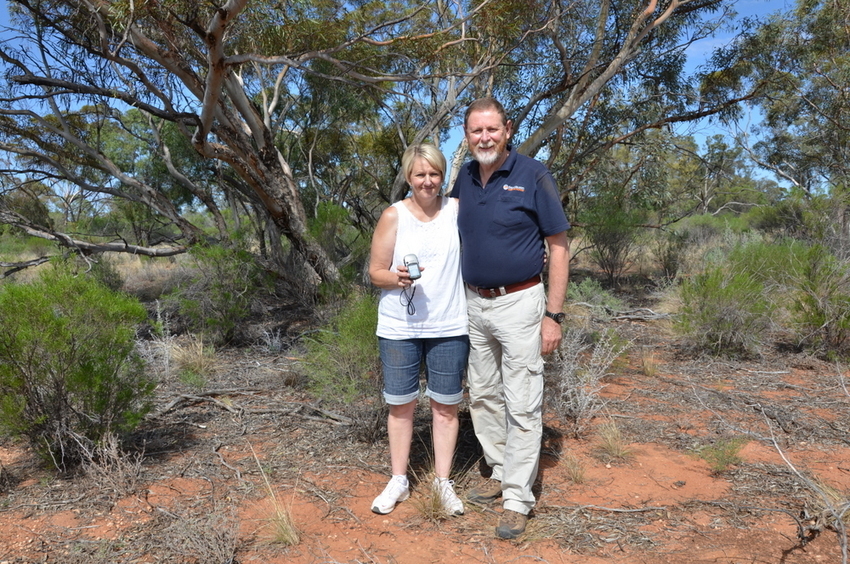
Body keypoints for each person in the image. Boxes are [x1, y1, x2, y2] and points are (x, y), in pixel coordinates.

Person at [450, 97, 570, 539]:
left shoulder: (533, 175)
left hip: (521, 303)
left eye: (492, 130)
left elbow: (558, 246)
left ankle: (518, 498)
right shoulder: (462, 177)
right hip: (473, 304)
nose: (484, 138)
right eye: (476, 131)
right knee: (481, 393)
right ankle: (500, 470)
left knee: (522, 401)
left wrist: (552, 315)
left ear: (508, 130)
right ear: (467, 136)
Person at [368, 143, 469, 516]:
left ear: (444, 175)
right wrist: (396, 279)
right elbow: (376, 271)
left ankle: (443, 483)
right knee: (401, 406)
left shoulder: (457, 210)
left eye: (434, 174)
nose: (427, 182)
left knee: (445, 407)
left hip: (449, 323)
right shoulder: (393, 216)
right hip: (399, 327)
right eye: (419, 175)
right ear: (408, 177)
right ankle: (399, 480)